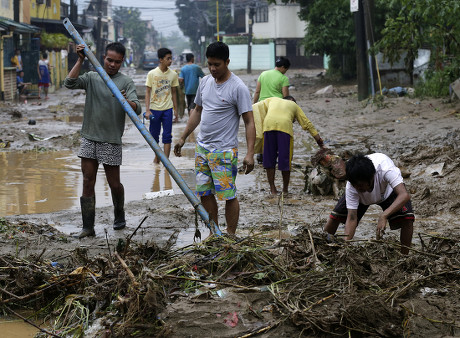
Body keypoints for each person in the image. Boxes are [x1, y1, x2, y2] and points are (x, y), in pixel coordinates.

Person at [174, 41, 255, 236]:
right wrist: (183, 137)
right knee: (205, 193)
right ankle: (214, 232)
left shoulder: (238, 88)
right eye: (209, 64)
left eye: (217, 64)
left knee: (228, 195)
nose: (212, 69)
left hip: (224, 151)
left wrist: (250, 153)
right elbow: (197, 111)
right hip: (202, 149)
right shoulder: (205, 82)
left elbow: (249, 121)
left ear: (227, 62)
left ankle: (231, 234)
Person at [64, 42, 142, 239]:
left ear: (122, 62)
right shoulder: (92, 76)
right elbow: (69, 83)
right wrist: (80, 59)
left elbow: (137, 108)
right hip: (90, 137)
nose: (112, 65)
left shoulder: (125, 82)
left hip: (111, 140)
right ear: (103, 57)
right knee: (87, 180)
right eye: (109, 60)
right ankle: (88, 227)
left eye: (117, 62)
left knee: (114, 183)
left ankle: (119, 214)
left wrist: (126, 101)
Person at [324, 153, 415, 254]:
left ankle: (404, 255)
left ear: (372, 178)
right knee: (335, 216)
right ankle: (322, 247)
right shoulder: (352, 186)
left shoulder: (385, 170)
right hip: (362, 199)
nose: (358, 188)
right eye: (355, 186)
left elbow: (404, 195)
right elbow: (352, 217)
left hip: (387, 192)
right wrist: (346, 247)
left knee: (407, 218)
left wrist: (384, 215)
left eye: (361, 186)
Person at [253, 96, 325, 195]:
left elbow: (256, 107)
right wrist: (319, 141)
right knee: (285, 159)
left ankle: (273, 189)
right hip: (284, 127)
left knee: (269, 159)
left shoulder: (272, 99)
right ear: (293, 101)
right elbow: (307, 123)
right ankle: (285, 190)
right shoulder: (294, 105)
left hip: (268, 125)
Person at [253, 56, 291, 164]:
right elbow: (286, 97)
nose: (285, 72)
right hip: (276, 108)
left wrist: (253, 105)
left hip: (261, 107)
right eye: (286, 70)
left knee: (262, 131)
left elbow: (257, 92)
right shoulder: (283, 78)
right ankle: (274, 155)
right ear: (283, 67)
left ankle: (261, 154)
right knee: (275, 131)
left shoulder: (263, 74)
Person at [145, 48, 179, 164]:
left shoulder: (173, 74)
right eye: (168, 59)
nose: (170, 61)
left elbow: (174, 93)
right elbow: (148, 92)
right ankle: (158, 156)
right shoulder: (152, 74)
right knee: (154, 136)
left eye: (171, 58)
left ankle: (166, 163)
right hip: (154, 110)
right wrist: (147, 110)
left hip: (168, 109)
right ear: (161, 60)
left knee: (167, 136)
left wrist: (176, 110)